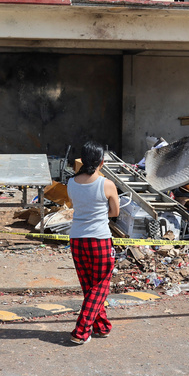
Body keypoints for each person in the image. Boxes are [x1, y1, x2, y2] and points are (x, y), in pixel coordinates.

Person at [66, 140, 120, 344]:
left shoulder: (71, 183)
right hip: (100, 240)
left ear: (82, 161)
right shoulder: (106, 184)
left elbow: (73, 204)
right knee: (100, 286)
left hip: (77, 240)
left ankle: (102, 326)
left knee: (89, 286)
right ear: (102, 162)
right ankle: (81, 331)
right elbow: (115, 212)